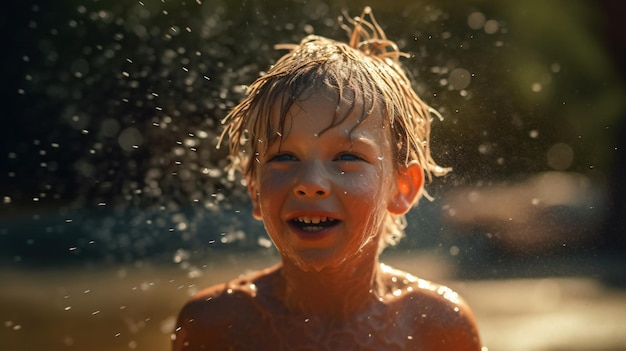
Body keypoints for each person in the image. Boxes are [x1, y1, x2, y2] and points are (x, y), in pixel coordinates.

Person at [172, 7, 482, 350]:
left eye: (347, 156)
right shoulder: (215, 325)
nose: (310, 182)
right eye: (284, 157)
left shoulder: (436, 326)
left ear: (402, 188)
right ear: (255, 190)